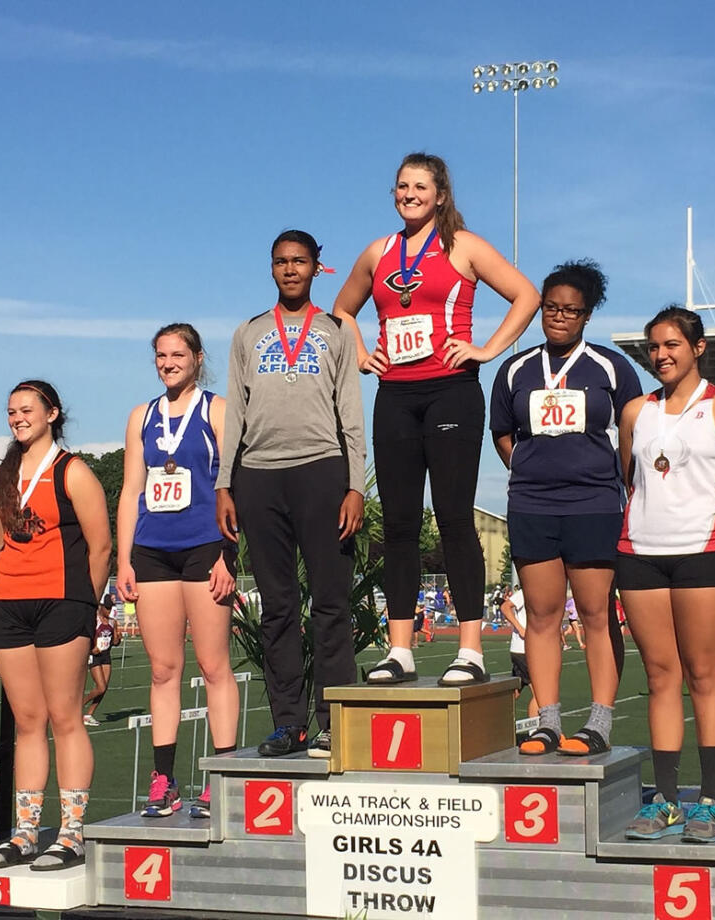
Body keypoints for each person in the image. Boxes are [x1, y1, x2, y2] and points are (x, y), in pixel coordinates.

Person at [333, 152, 538, 686]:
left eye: (420, 186)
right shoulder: (379, 252)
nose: (409, 194)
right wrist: (358, 352)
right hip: (395, 395)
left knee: (452, 517)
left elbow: (526, 295)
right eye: (402, 186)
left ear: (441, 194)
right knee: (398, 524)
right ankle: (398, 649)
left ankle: (469, 648)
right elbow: (342, 310)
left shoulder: (463, 246)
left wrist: (487, 348)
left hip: (451, 392)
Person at [217, 230, 364, 758]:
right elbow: (235, 414)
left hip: (322, 470)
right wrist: (225, 484)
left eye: (299, 261)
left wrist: (353, 483)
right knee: (278, 607)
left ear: (316, 267)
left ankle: (332, 721)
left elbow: (350, 409)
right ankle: (288, 723)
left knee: (329, 603)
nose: (290, 269)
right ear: (271, 268)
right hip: (258, 474)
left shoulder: (337, 330)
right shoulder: (248, 333)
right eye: (280, 262)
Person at [618, 305, 715, 843]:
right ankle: (666, 802)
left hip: (706, 553)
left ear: (697, 348)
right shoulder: (635, 412)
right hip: (640, 553)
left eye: (673, 344)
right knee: (659, 678)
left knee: (703, 675)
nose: (662, 355)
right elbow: (630, 480)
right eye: (654, 346)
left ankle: (710, 801)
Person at [490, 260, 640, 755]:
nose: (559, 317)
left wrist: (595, 478)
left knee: (596, 614)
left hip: (595, 504)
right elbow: (504, 437)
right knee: (542, 615)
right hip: (532, 504)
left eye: (570, 311)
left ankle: (599, 723)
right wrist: (537, 470)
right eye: (551, 308)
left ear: (586, 315)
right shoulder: (514, 369)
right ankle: (547, 722)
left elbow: (632, 432)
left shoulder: (611, 367)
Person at [0, 380, 111, 871]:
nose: (17, 417)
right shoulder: (0, 475)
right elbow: (3, 541)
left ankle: (71, 833)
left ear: (52, 413)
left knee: (65, 717)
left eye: (27, 409)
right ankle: (24, 834)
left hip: (64, 602)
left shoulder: (73, 472)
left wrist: (86, 603)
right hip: (12, 604)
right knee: (28, 722)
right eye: (11, 410)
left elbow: (100, 547)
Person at [115, 323, 238, 819]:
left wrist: (229, 555)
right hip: (151, 551)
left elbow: (234, 485)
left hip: (205, 547)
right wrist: (123, 559)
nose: (168, 363)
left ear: (197, 358)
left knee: (213, 666)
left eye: (177, 354)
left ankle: (222, 778)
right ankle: (164, 780)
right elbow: (130, 490)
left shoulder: (218, 410)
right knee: (163, 670)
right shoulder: (140, 416)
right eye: (161, 356)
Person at [83, 598, 121, 727]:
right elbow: (86, 637)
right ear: (102, 607)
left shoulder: (112, 622)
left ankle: (88, 715)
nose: (109, 611)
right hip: (95, 655)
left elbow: (115, 642)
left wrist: (117, 639)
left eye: (111, 608)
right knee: (100, 687)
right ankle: (79, 705)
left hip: (106, 656)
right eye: (108, 608)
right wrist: (91, 649)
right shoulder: (95, 621)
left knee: (103, 689)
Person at [499, 586, 536, 718]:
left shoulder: (544, 593)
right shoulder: (526, 592)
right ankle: (535, 732)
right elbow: (505, 607)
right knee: (541, 694)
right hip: (523, 650)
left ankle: (493, 721)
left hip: (532, 650)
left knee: (514, 692)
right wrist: (520, 628)